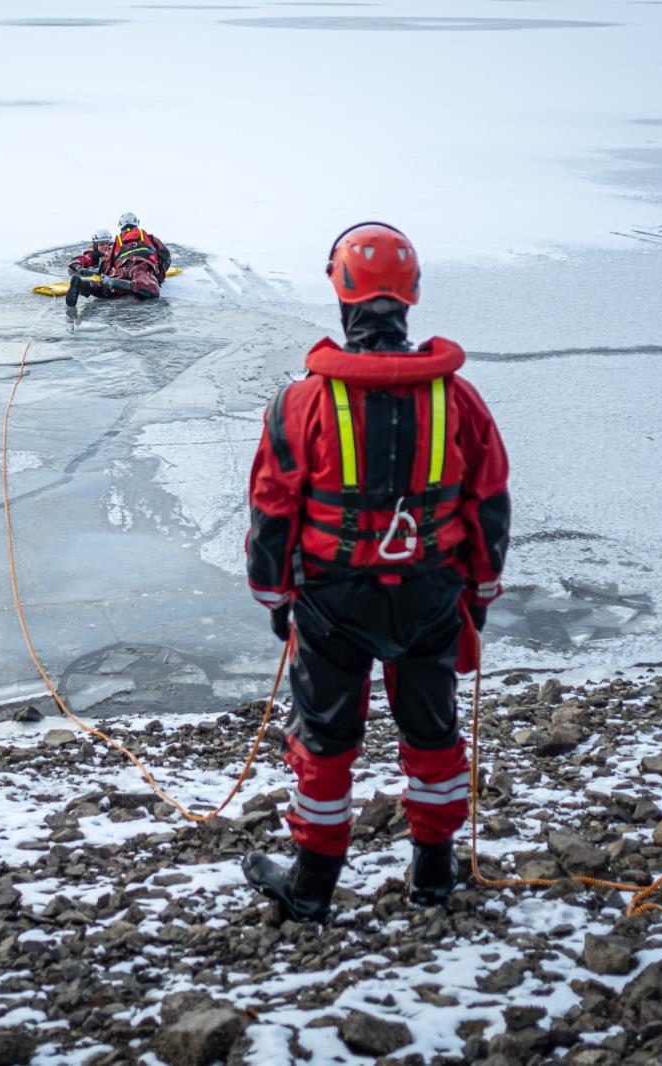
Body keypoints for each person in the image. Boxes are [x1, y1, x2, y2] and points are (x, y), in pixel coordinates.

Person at [241, 222, 510, 921]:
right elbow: (489, 504)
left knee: (325, 745)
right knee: (433, 736)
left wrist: (275, 598)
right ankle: (434, 874)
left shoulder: (300, 404)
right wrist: (477, 595)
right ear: (411, 295)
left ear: (341, 294)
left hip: (333, 605)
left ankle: (311, 889)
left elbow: (273, 510)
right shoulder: (459, 399)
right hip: (429, 597)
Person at [65, 212, 173, 307]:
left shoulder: (117, 242)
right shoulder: (149, 237)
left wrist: (101, 274)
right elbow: (165, 256)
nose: (104, 246)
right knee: (149, 289)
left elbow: (105, 266)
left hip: (121, 269)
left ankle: (87, 285)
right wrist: (158, 273)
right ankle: (116, 283)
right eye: (101, 244)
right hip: (141, 265)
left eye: (106, 243)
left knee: (106, 290)